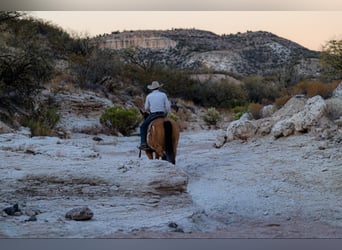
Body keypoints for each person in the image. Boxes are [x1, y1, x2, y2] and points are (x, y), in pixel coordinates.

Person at [139, 81, 171, 150]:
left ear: (151, 88)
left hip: (153, 115)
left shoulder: (149, 96)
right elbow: (168, 107)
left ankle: (143, 143)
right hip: (162, 114)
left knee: (143, 127)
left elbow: (146, 108)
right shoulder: (163, 95)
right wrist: (166, 113)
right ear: (159, 87)